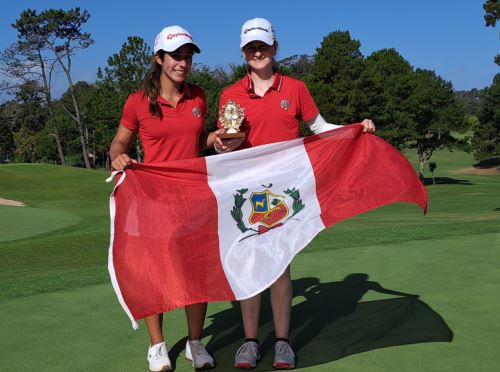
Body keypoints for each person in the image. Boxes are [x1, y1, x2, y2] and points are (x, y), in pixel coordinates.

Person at [216, 18, 376, 370]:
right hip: (246, 191)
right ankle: (250, 342)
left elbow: (320, 128)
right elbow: (225, 142)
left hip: (285, 191)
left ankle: (284, 343)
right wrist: (223, 144)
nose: (257, 52)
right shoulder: (230, 95)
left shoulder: (295, 89)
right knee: (249, 266)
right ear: (243, 52)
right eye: (250, 47)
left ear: (274, 47)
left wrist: (355, 128)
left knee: (280, 264)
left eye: (262, 45)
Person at [109, 25, 228, 372]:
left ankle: (195, 343)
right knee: (155, 273)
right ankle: (157, 346)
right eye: (176, 56)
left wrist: (215, 139)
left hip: (193, 196)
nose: (183, 62)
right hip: (153, 199)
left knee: (196, 272)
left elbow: (196, 139)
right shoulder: (138, 101)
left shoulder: (199, 96)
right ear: (159, 58)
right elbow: (119, 142)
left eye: (188, 56)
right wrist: (118, 156)